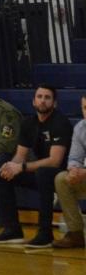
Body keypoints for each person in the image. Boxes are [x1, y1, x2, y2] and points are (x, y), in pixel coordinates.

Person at [0, 85, 73, 248]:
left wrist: (22, 167)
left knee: (43, 173)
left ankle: (45, 234)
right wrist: (11, 167)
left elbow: (55, 161)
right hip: (39, 171)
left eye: (47, 97)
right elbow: (20, 155)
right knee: (1, 165)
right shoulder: (29, 123)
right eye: (39, 97)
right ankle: (12, 229)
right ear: (33, 101)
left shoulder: (60, 122)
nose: (42, 101)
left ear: (54, 103)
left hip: (61, 174)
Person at [53, 94, 86, 248]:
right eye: (85, 108)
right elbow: (74, 157)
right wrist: (73, 170)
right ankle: (75, 233)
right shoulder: (80, 128)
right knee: (62, 179)